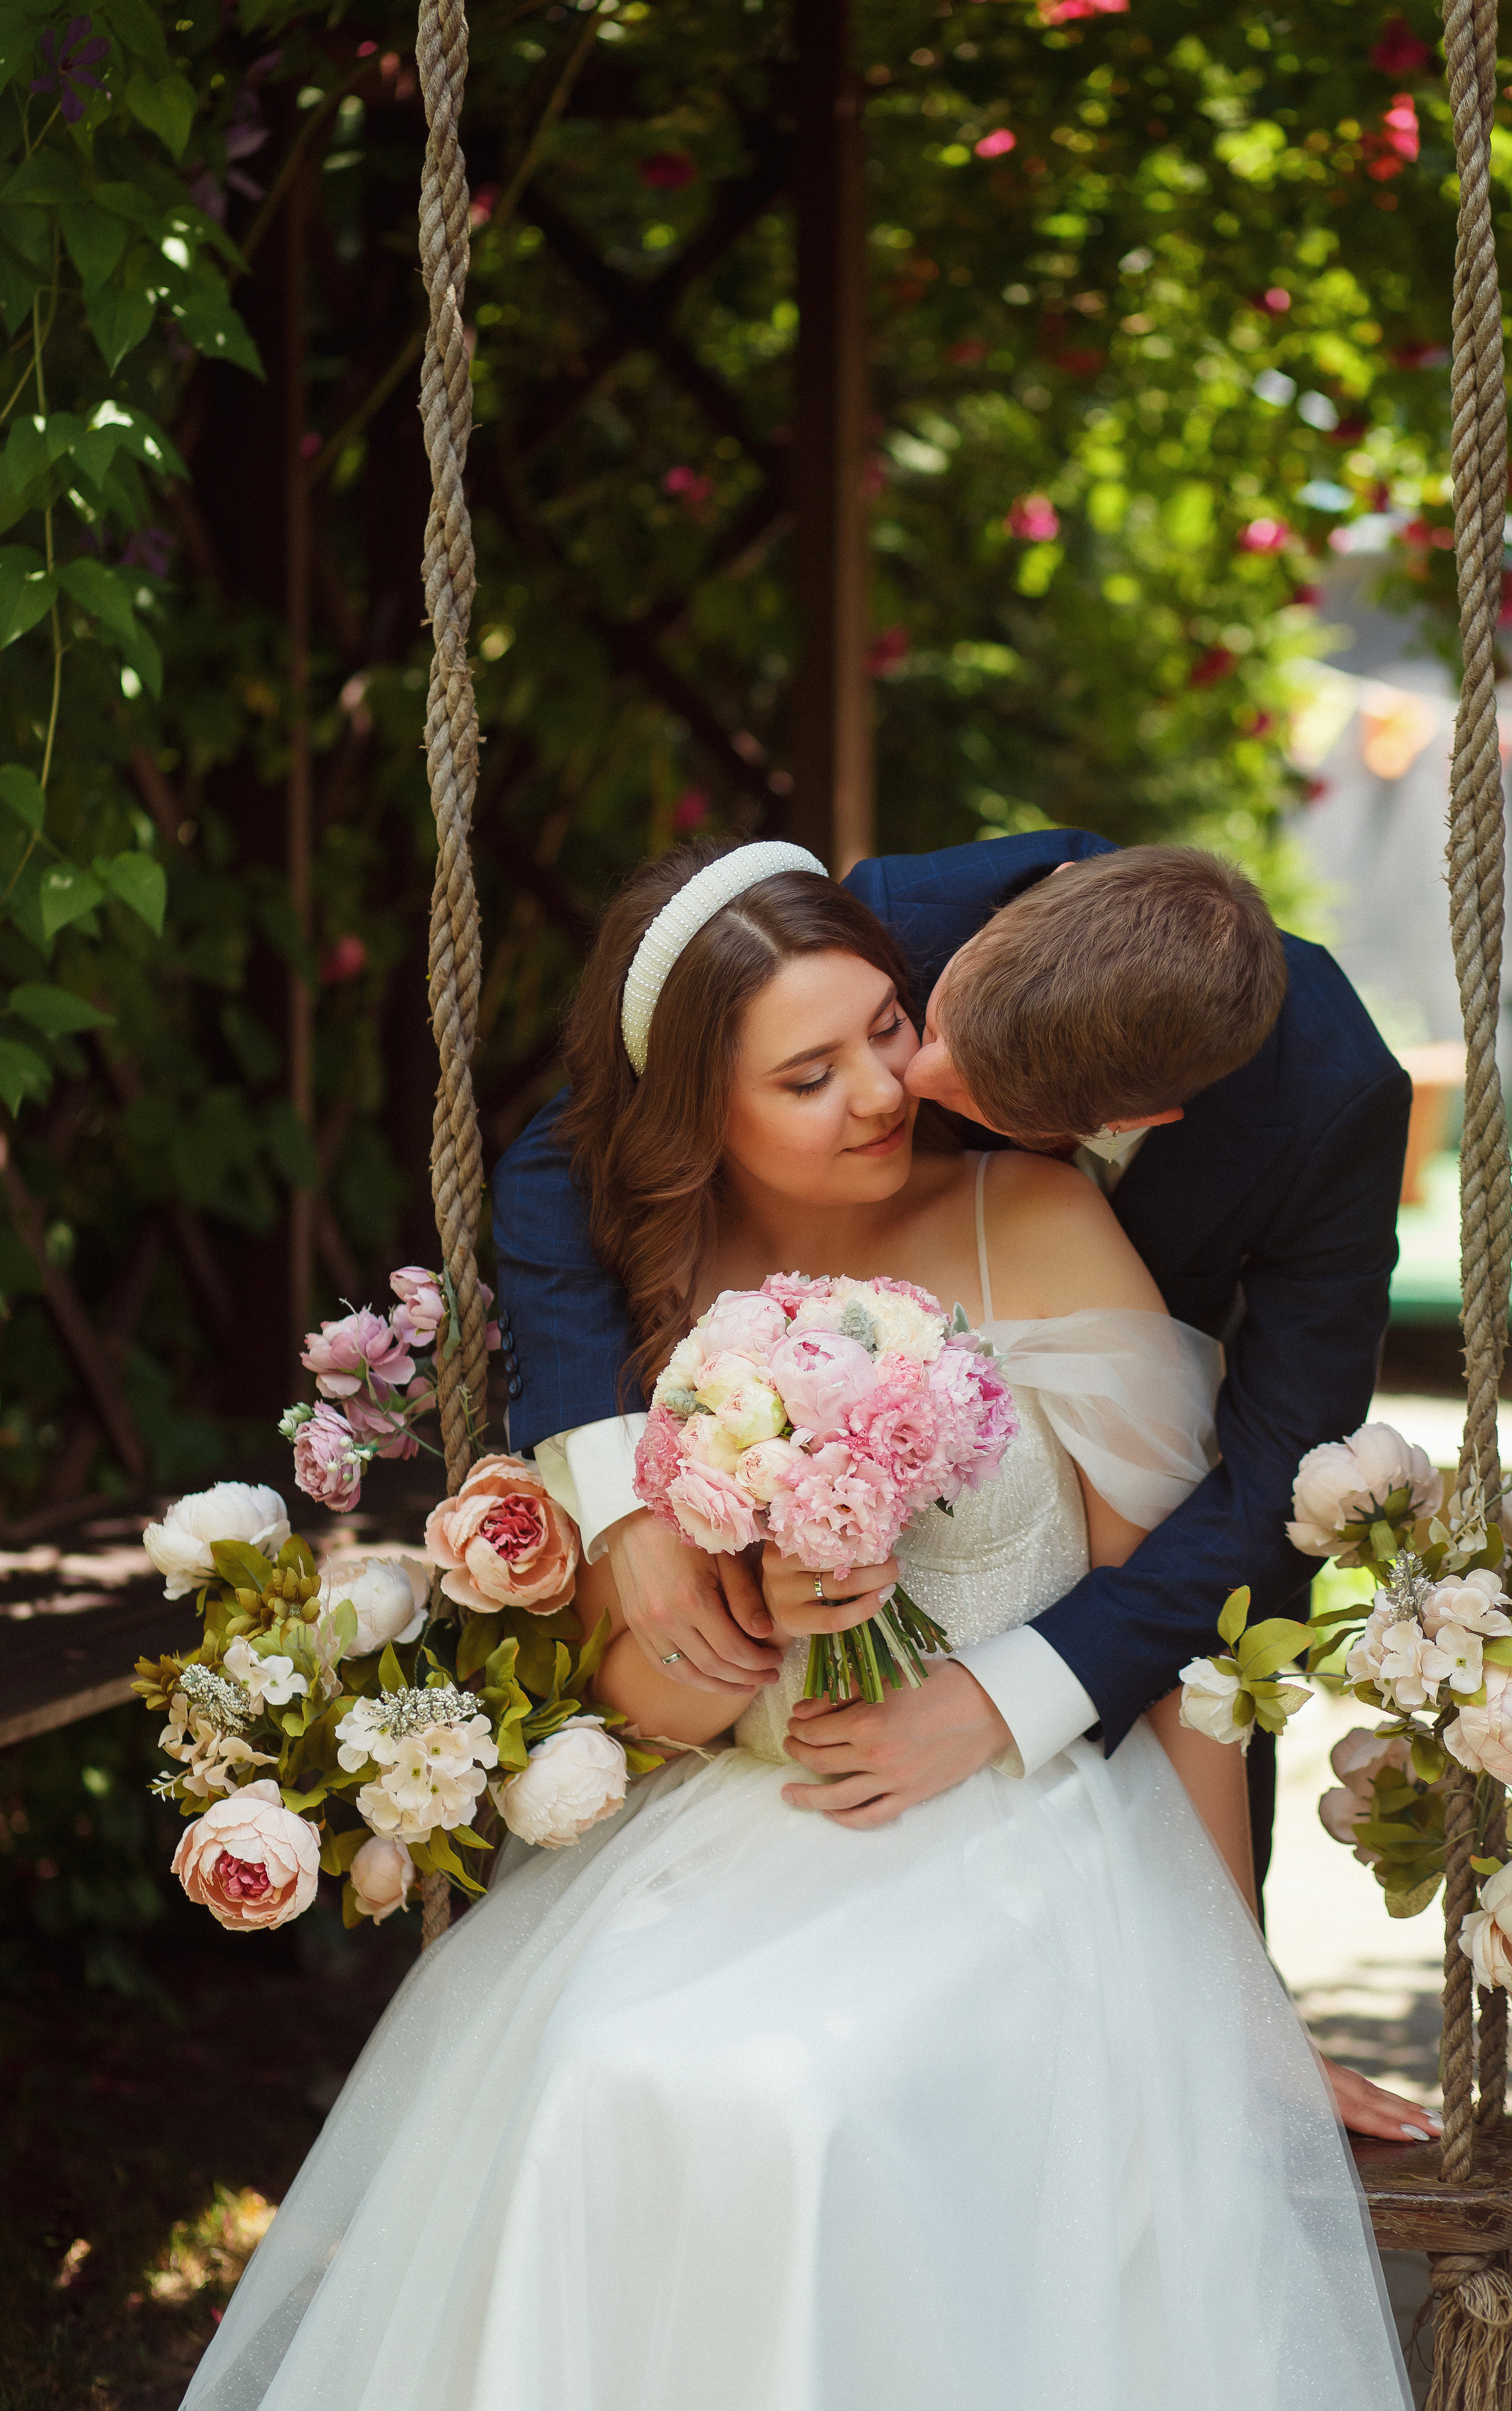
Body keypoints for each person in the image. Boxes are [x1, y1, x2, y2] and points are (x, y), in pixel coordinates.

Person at [183, 844, 1418, 2411]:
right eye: (878, 1040)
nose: (904, 1089)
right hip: (743, 1818)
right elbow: (573, 1164)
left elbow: (1234, 1554)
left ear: (1136, 1124)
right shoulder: (858, 944)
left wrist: (1230, 1993)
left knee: (798, 2099)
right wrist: (656, 1531)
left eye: (905, 1049)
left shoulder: (1235, 1141)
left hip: (1033, 1808)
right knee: (603, 2071)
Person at [494, 831, 1408, 1897]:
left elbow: (1279, 1478)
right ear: (1001, 928)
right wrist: (625, 1496)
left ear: (1131, 1122)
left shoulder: (1325, 1103)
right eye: (921, 1022)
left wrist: (1013, 1695)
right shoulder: (885, 926)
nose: (905, 1087)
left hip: (1124, 1675)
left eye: (975, 1097)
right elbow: (577, 1143)